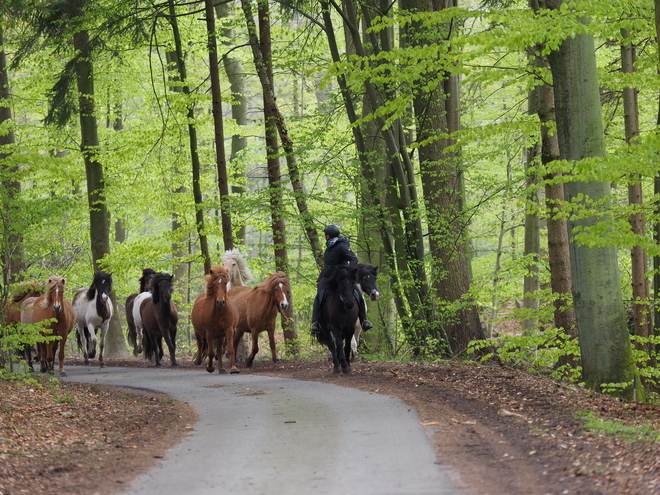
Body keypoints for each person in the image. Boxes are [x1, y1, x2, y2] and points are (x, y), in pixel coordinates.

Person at [310, 224, 372, 335]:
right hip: (328, 277)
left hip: (342, 277)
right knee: (319, 295)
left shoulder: (342, 246)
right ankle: (315, 323)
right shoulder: (330, 246)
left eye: (326, 234)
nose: (325, 236)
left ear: (330, 235)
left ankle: (364, 321)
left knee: (358, 295)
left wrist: (348, 271)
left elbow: (353, 259)